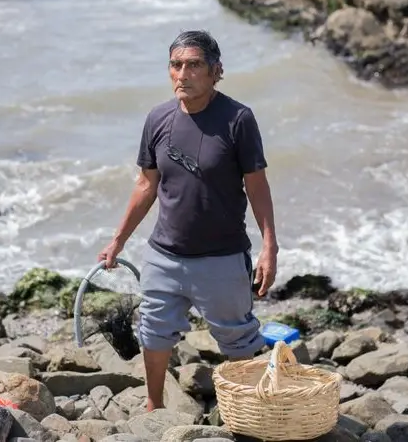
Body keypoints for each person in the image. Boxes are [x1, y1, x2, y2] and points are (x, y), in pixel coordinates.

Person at [98, 30, 279, 412]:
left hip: (222, 259)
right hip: (164, 256)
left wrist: (269, 247)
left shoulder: (237, 119)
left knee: (239, 341)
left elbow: (257, 186)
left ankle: (251, 410)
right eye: (176, 65)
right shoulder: (158, 119)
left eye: (194, 65)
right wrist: (118, 241)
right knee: (153, 332)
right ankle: (153, 406)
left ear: (216, 71)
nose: (183, 73)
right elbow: (146, 185)